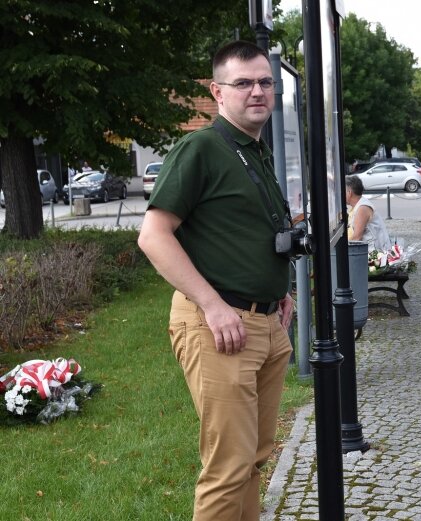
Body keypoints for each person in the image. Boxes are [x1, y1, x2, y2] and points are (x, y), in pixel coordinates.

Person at [137, 40, 295, 521]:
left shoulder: (255, 150)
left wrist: (281, 291)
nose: (257, 92)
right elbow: (153, 235)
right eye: (243, 82)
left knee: (254, 459)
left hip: (265, 324)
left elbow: (247, 230)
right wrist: (211, 305)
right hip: (220, 325)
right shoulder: (201, 146)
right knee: (228, 470)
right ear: (217, 91)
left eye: (266, 82)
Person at [345, 174, 392, 253]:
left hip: (374, 253)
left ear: (349, 193)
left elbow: (356, 238)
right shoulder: (358, 205)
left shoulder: (362, 208)